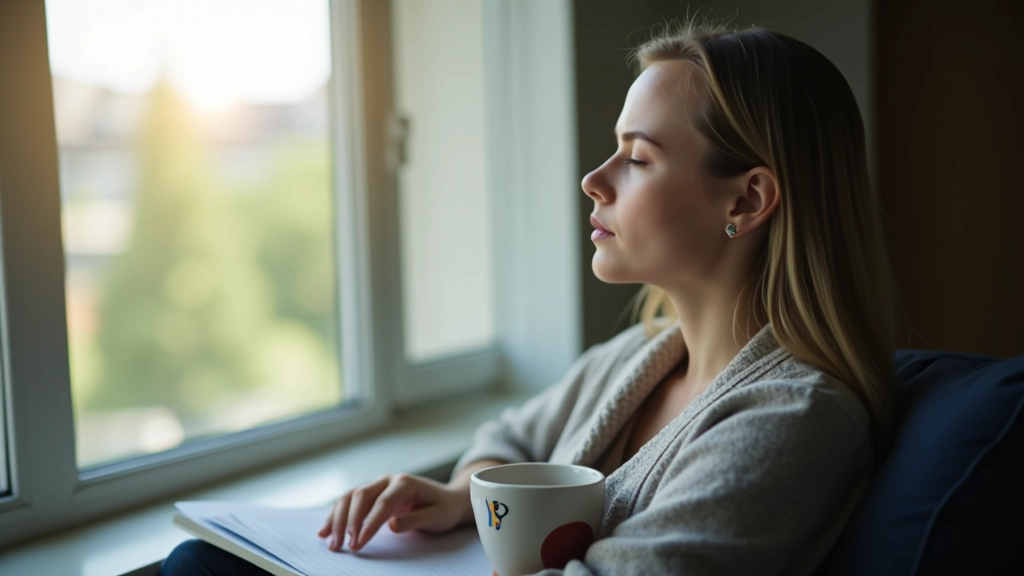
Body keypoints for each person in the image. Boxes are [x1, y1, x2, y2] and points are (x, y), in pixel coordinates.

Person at [162, 18, 897, 576]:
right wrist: (456, 495)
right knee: (202, 563)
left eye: (638, 157)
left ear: (749, 198)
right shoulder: (638, 359)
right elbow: (509, 440)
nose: (596, 178)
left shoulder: (793, 418)